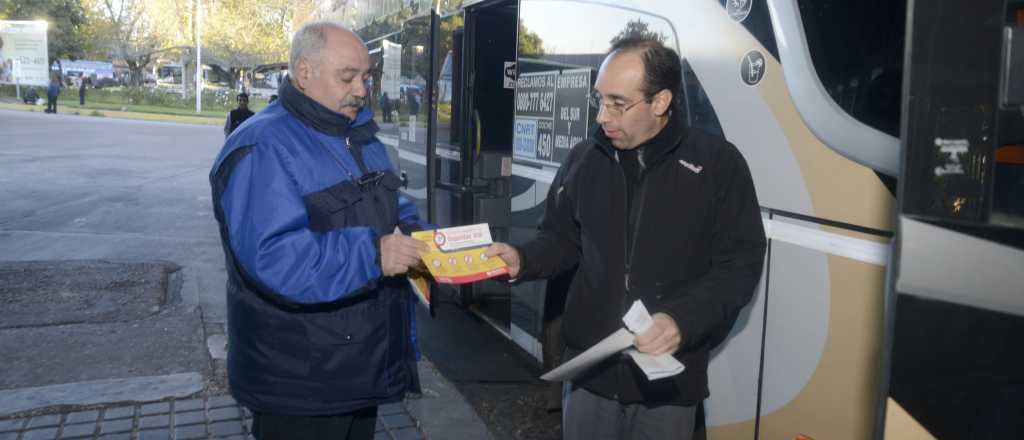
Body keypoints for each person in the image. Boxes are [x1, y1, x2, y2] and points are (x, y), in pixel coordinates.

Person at [486, 37, 767, 440]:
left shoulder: (718, 165)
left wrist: (682, 320)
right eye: (599, 100)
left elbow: (739, 268)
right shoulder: (585, 159)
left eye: (618, 103)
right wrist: (522, 259)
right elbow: (562, 240)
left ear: (660, 102)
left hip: (667, 388)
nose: (602, 116)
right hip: (589, 377)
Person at [209, 20, 429, 440]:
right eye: (348, 77)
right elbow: (274, 260)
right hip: (300, 382)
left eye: (366, 77)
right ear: (305, 73)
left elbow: (391, 207)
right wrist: (374, 255)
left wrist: (426, 238)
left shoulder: (360, 134)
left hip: (356, 370)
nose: (363, 90)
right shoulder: (262, 147)